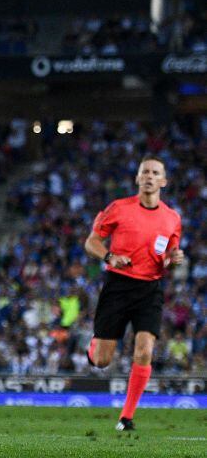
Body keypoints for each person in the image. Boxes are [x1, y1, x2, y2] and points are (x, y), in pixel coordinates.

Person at [84, 155, 183, 432]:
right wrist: (109, 257)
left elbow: (167, 256)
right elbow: (91, 242)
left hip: (149, 288)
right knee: (102, 361)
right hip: (118, 285)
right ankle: (94, 347)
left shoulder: (172, 218)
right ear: (138, 178)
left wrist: (171, 261)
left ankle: (126, 418)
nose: (150, 176)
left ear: (164, 181)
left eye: (155, 172)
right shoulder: (118, 208)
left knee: (144, 350)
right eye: (145, 172)